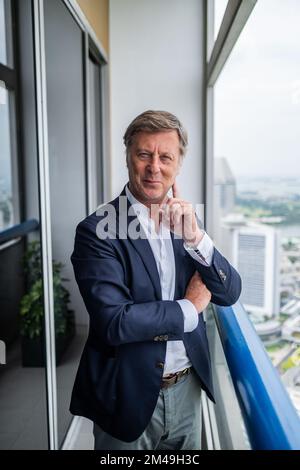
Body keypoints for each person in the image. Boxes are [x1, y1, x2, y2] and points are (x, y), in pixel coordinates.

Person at [70, 110, 242, 450]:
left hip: (188, 391)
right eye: (144, 154)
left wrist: (196, 238)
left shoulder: (186, 221)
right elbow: (115, 322)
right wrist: (190, 307)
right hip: (127, 394)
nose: (154, 167)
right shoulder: (97, 230)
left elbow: (228, 292)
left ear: (178, 165)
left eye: (166, 157)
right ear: (128, 156)